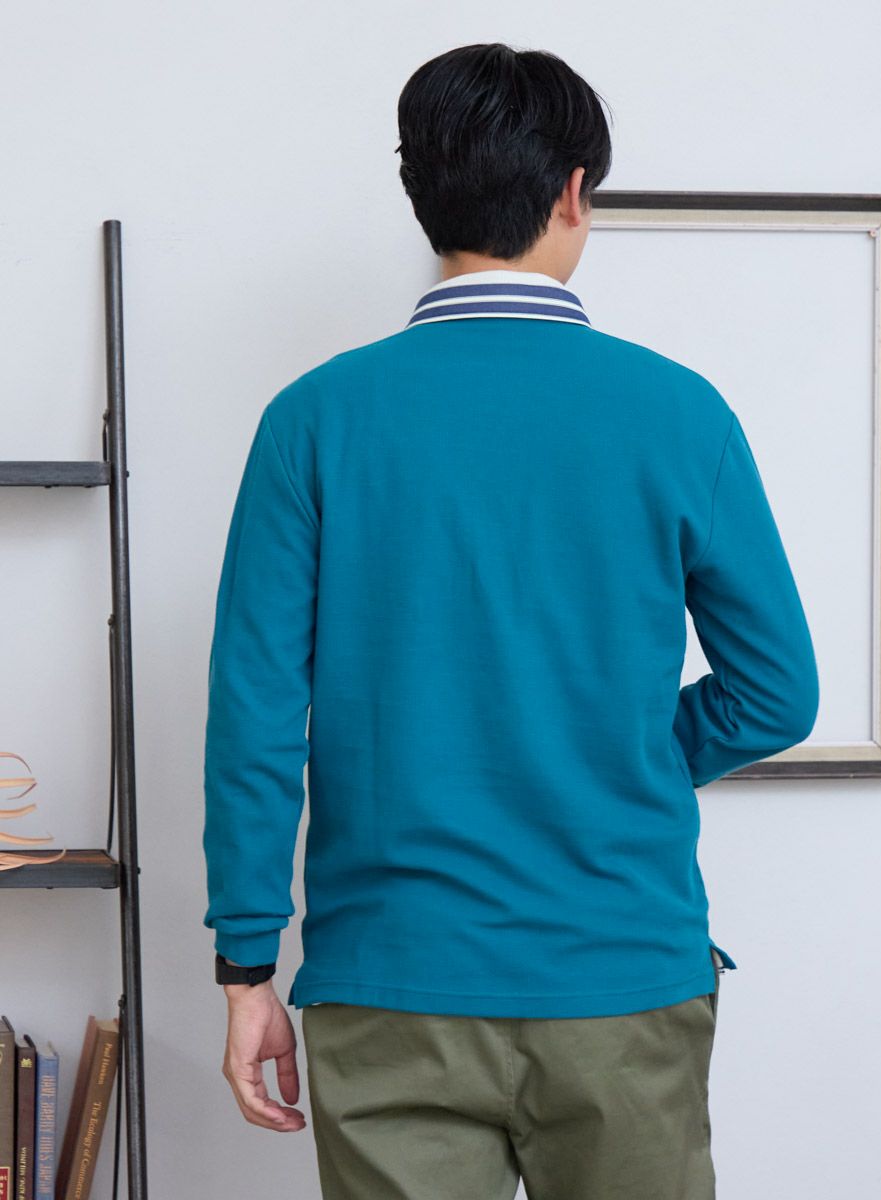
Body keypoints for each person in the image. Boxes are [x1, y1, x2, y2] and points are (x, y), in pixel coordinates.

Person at [202, 41, 819, 1200]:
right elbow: (777, 693)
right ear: (574, 191)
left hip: (388, 983)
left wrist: (246, 967)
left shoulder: (313, 420)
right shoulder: (679, 413)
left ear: (421, 195)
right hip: (621, 979)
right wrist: (624, 753)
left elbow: (255, 717)